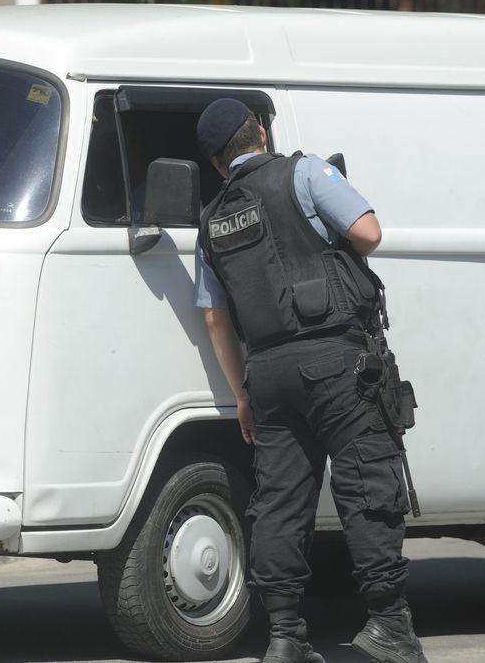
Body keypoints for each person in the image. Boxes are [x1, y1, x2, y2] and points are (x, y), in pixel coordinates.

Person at [193, 99, 426, 663]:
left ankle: (284, 635)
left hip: (268, 376)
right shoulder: (305, 171)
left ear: (218, 166)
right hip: (337, 364)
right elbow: (368, 234)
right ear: (264, 133)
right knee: (367, 485)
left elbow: (215, 319)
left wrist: (242, 397)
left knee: (280, 502)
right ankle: (388, 624)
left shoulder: (210, 220)